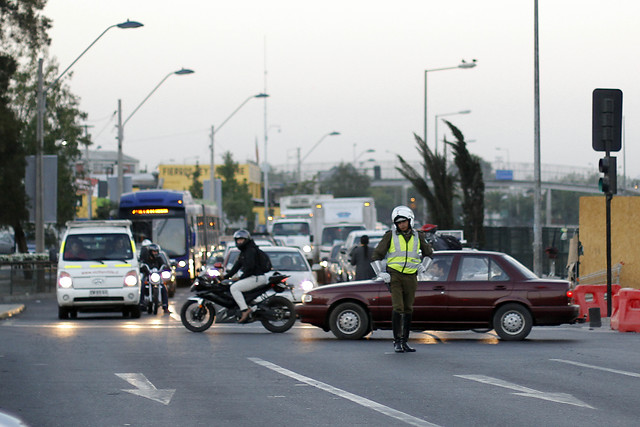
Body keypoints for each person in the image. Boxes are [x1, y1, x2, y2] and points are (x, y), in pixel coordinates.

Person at [371, 206, 433, 353]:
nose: (401, 225)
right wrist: (381, 273)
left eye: (404, 222)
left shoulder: (419, 236)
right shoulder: (390, 235)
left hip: (411, 276)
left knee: (408, 309)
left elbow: (429, 254)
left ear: (410, 220)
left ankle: (405, 341)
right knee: (398, 308)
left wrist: (423, 266)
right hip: (395, 276)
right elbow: (376, 256)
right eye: (399, 223)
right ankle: (397, 341)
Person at [225, 229, 271, 323]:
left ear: (246, 240)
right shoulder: (244, 251)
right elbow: (237, 266)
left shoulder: (250, 251)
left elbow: (250, 268)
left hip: (256, 278)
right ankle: (247, 306)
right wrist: (225, 277)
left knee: (234, 288)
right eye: (237, 240)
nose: (239, 242)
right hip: (254, 278)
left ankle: (244, 310)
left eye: (241, 240)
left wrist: (240, 278)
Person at [139, 242, 169, 314]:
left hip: (157, 277)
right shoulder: (146, 259)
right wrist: (143, 267)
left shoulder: (159, 259)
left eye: (156, 251)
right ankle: (141, 303)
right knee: (142, 285)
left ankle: (165, 307)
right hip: (148, 277)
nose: (155, 253)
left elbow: (164, 265)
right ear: (150, 252)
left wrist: (166, 267)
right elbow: (142, 265)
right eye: (154, 251)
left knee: (164, 288)